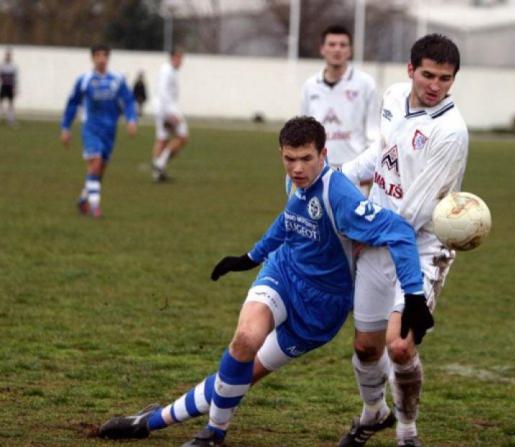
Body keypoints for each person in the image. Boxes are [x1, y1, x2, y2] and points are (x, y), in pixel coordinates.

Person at [98, 116, 432, 447]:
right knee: (245, 340)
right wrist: (251, 257)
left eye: (306, 158)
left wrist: (414, 295)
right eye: (289, 159)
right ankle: (213, 433)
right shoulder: (294, 180)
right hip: (283, 273)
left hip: (319, 308)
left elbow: (400, 232)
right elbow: (289, 219)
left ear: (324, 154)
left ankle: (150, 421)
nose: (297, 168)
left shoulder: (341, 196)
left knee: (243, 375)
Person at [337, 34, 468, 447]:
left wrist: (361, 228)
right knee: (365, 347)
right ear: (411, 70)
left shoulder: (451, 132)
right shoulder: (394, 97)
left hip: (422, 247)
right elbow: (382, 154)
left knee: (398, 347)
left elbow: (415, 210)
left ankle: (407, 433)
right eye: (428, 75)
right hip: (379, 240)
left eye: (445, 79)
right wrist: (339, 178)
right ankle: (373, 412)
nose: (435, 85)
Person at [60, 44, 137, 218]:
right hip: (91, 128)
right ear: (93, 58)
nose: (101, 59)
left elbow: (128, 100)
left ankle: (83, 199)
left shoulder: (117, 79)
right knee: (95, 163)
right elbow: (73, 104)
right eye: (98, 56)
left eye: (104, 56)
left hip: (110, 130)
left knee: (100, 170)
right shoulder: (84, 80)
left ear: (108, 58)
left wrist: (131, 119)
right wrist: (65, 127)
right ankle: (95, 206)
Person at [301, 25, 379, 181]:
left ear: (350, 51)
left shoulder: (366, 84)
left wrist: (370, 169)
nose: (337, 49)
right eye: (332, 44)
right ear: (322, 49)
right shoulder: (310, 86)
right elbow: (304, 131)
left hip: (355, 172)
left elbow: (373, 132)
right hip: (318, 170)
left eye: (343, 45)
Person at [152, 48, 188, 182]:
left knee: (162, 139)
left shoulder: (168, 70)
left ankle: (157, 173)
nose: (181, 62)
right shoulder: (167, 71)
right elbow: (163, 92)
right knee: (183, 137)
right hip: (167, 109)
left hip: (162, 108)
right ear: (173, 58)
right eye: (179, 58)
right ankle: (159, 164)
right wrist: (170, 113)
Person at [0, 48, 18, 126]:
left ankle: (10, 120)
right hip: (4, 86)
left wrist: (14, 88)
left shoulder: (13, 66)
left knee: (11, 104)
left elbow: (15, 78)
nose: (8, 57)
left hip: (10, 86)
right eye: (7, 55)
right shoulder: (2, 66)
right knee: (1, 102)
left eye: (9, 55)